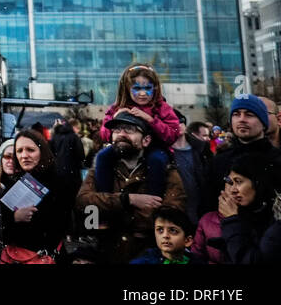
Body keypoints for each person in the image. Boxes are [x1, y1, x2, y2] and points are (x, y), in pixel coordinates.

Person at [75, 111, 187, 263]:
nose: (121, 134)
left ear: (146, 140)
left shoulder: (166, 172)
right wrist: (127, 200)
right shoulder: (100, 169)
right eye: (116, 130)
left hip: (147, 253)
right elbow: (84, 202)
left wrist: (109, 213)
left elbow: (171, 213)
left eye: (129, 130)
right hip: (107, 252)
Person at [94, 64, 181, 198]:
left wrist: (152, 121)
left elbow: (172, 135)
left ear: (155, 88)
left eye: (147, 88)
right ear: (127, 89)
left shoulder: (162, 108)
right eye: (137, 88)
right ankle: (104, 197)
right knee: (102, 156)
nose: (142, 93)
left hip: (155, 148)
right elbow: (105, 135)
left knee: (156, 160)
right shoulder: (117, 107)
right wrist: (115, 117)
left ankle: (154, 200)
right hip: (125, 146)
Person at [204, 95, 281, 214]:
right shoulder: (218, 162)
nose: (242, 119)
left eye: (249, 114)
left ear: (263, 122)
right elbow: (208, 207)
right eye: (236, 114)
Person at [0, 129, 75, 263]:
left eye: (30, 150)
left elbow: (62, 224)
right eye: (19, 151)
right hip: (14, 257)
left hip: (44, 257)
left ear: (42, 152)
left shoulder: (59, 182)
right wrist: (14, 217)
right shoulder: (14, 182)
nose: (24, 155)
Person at [170, 117, 213, 228]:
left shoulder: (202, 150)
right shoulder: (163, 153)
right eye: (204, 135)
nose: (207, 139)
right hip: (177, 215)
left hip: (201, 213)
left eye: (179, 121)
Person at [129, 205, 195, 264]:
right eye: (160, 230)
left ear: (187, 241)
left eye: (173, 230)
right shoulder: (143, 261)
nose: (165, 235)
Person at [49, 117, 84, 185]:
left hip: (57, 172)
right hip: (72, 174)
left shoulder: (54, 137)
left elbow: (50, 153)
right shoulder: (74, 137)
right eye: (78, 128)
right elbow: (81, 155)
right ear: (73, 127)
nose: (78, 131)